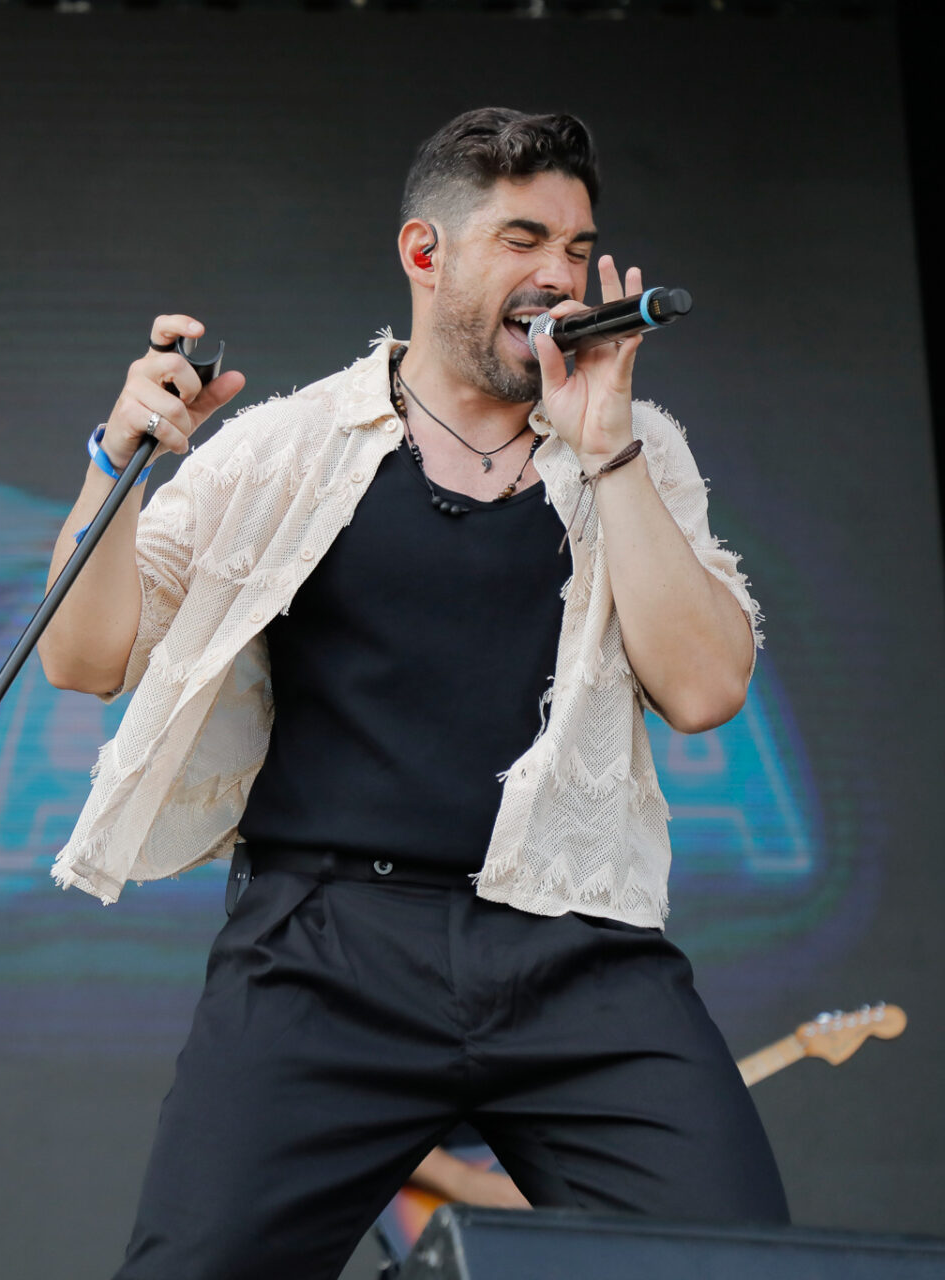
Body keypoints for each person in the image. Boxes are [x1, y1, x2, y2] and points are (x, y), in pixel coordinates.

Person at [39, 108, 788, 1280]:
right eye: (523, 239)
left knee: (741, 1265)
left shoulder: (637, 448)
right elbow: (84, 658)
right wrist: (114, 465)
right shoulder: (288, 446)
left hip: (576, 947)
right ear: (425, 253)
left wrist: (606, 447)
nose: (559, 275)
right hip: (327, 950)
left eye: (578, 248)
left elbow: (703, 690)